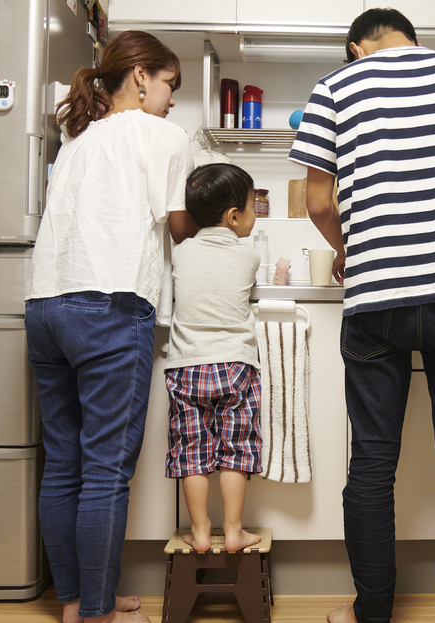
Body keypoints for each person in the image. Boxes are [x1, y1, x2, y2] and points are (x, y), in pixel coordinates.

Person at [288, 8, 435, 623]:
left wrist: (355, 246)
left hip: (375, 299)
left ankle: (370, 612)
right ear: (411, 37)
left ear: (355, 47)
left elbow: (318, 200)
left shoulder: (335, 87)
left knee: (371, 460)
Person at [24, 30, 198, 623]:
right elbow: (177, 226)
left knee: (64, 463)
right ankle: (98, 614)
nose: (173, 99)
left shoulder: (78, 140)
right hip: (109, 305)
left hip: (45, 306)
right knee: (103, 469)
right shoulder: (162, 136)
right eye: (171, 84)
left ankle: (77, 600)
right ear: (141, 76)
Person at [163, 163, 264, 555]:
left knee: (192, 452)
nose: (254, 215)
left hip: (186, 366)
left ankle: (201, 532)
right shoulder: (248, 256)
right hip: (235, 366)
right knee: (236, 449)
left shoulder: (181, 252)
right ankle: (234, 530)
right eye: (254, 206)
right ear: (234, 216)